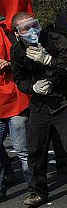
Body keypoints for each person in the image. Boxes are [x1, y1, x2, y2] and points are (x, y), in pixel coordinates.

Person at [10, 11, 67, 208]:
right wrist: (33, 87)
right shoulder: (17, 51)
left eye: (34, 24)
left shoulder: (56, 39)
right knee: (35, 149)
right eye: (25, 28)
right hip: (40, 105)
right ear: (17, 33)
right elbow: (20, 80)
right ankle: (37, 191)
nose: (31, 31)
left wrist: (49, 61)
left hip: (64, 101)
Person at [0, 19, 30, 197]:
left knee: (22, 149)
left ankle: (35, 186)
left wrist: (9, 63)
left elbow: (26, 58)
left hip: (15, 100)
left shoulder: (10, 33)